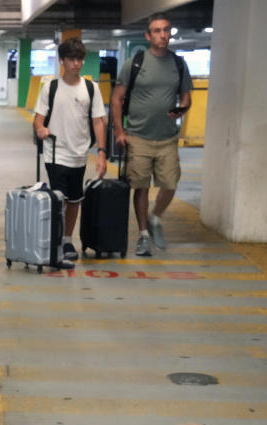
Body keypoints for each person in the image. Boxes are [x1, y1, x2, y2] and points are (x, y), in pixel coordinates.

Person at [111, 13, 193, 256]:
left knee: (170, 183)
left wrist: (182, 109)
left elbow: (186, 96)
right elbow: (117, 99)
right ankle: (144, 235)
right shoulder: (135, 63)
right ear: (148, 36)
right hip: (138, 136)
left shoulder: (179, 64)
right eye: (157, 31)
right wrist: (119, 130)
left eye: (166, 30)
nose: (163, 35)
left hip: (167, 137)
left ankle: (155, 217)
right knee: (141, 186)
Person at [33, 37, 108, 264]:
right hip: (55, 152)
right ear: (62, 61)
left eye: (80, 59)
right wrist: (41, 130)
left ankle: (66, 239)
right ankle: (55, 241)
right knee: (59, 198)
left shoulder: (91, 89)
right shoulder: (51, 88)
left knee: (74, 199)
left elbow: (98, 122)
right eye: (71, 59)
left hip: (79, 153)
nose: (76, 63)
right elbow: (38, 119)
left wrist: (102, 153)